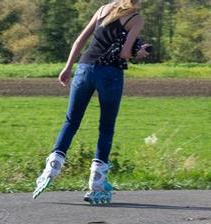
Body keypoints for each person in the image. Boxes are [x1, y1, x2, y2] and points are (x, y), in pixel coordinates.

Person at [33, 0, 151, 205]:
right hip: (110, 73)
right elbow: (124, 53)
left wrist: (68, 68)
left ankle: (52, 166)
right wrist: (138, 53)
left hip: (84, 68)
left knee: (71, 122)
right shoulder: (136, 18)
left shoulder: (104, 9)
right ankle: (97, 182)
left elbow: (79, 41)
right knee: (106, 127)